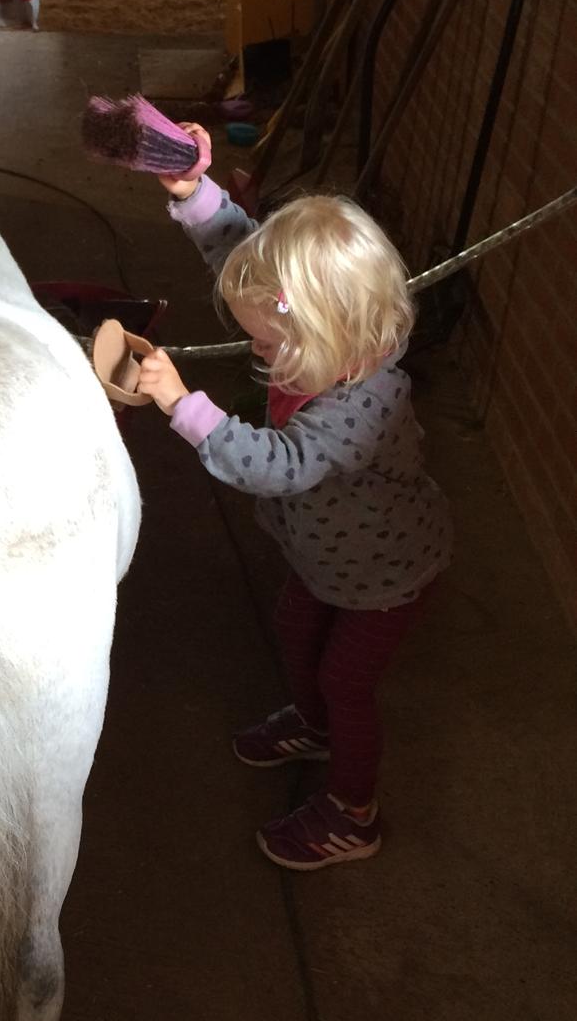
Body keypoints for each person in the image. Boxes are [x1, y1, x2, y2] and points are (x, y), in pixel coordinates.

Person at [138, 125, 451, 870]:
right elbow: (240, 256)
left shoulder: (362, 406)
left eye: (271, 346)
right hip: (325, 557)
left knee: (347, 679)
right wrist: (194, 194)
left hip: (384, 575)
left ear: (327, 330)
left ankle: (352, 812)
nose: (258, 354)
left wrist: (187, 406)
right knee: (295, 627)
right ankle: (311, 726)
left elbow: (278, 465)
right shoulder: (318, 333)